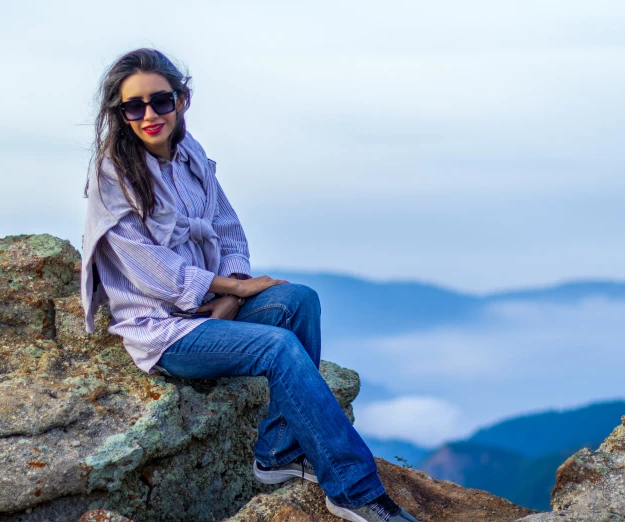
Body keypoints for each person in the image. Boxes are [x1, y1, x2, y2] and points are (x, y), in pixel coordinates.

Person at [80, 48, 419, 522]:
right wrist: (231, 292)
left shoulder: (191, 156)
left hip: (209, 308)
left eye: (160, 100)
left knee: (300, 301)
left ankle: (277, 456)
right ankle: (355, 491)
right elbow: (148, 270)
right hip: (163, 329)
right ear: (121, 113)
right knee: (278, 348)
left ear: (183, 99)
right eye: (133, 106)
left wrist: (230, 287)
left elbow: (227, 228)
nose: (149, 115)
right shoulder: (113, 174)